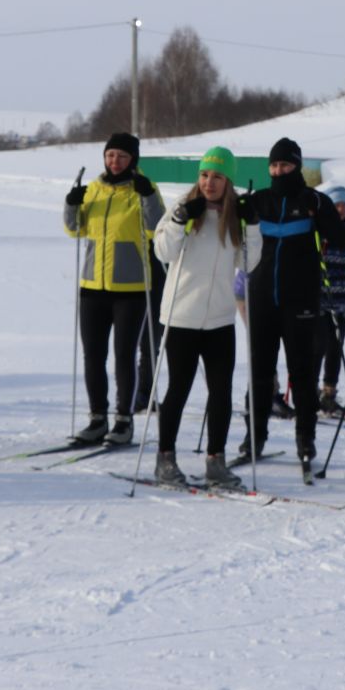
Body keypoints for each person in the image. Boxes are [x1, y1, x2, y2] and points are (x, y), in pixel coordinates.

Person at [238, 137, 345, 467]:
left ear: (297, 166)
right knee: (259, 373)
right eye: (273, 166)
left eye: (285, 165)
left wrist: (323, 216)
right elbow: (234, 238)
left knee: (301, 375)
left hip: (301, 299)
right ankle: (254, 437)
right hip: (261, 298)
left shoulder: (313, 199)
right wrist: (242, 215)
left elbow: (341, 239)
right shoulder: (258, 200)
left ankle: (306, 439)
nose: (278, 171)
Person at [149, 146, 256, 490]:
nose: (209, 182)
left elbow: (248, 263)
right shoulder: (183, 207)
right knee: (178, 388)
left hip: (220, 319)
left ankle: (216, 461)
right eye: (205, 175)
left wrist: (252, 225)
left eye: (218, 176)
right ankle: (165, 458)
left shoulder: (235, 216)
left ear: (229, 181)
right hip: (181, 316)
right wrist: (180, 220)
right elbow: (163, 251)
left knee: (221, 391)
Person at [61, 133, 163, 447]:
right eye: (110, 155)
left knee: (123, 356)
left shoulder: (144, 188)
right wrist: (71, 204)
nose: (114, 161)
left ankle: (124, 419)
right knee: (93, 355)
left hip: (131, 287)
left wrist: (147, 197)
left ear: (133, 159)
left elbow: (156, 229)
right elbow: (75, 229)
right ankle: (97, 417)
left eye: (121, 156)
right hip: (92, 285)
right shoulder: (95, 188)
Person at [317, 184, 345, 417]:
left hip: (342, 300)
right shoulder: (320, 228)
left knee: (335, 348)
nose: (341, 209)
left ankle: (329, 393)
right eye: (337, 205)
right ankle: (311, 394)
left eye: (344, 205)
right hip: (321, 299)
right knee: (317, 347)